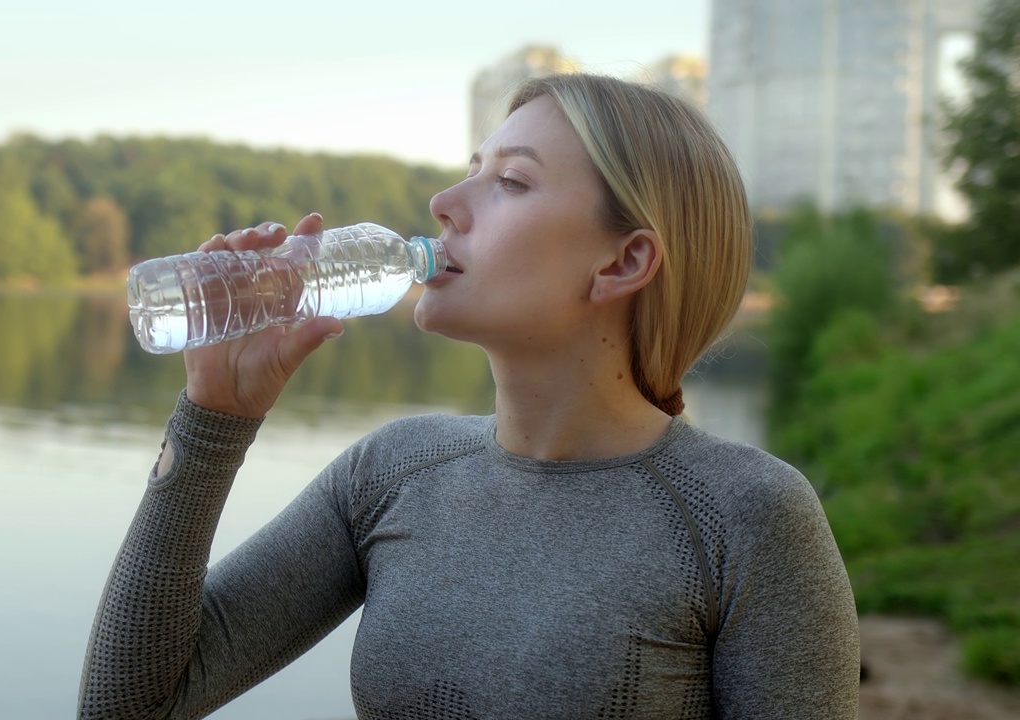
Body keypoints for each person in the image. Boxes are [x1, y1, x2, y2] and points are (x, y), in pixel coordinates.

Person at [77, 73, 860, 719]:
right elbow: (129, 704)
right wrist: (214, 421)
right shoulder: (391, 472)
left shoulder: (747, 516)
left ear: (623, 263)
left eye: (511, 181)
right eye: (472, 168)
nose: (445, 202)